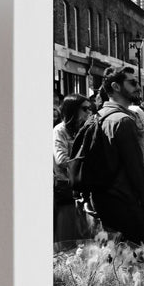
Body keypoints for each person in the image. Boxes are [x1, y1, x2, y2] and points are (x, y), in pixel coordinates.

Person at [86, 64, 144, 244]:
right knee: (136, 260)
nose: (137, 87)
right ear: (116, 87)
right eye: (133, 82)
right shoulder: (123, 121)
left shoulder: (98, 116)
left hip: (105, 202)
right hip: (126, 203)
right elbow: (135, 169)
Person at [52, 95, 88, 245]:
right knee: (67, 237)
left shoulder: (84, 128)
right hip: (66, 187)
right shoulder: (60, 130)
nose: (89, 112)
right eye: (85, 109)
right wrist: (86, 159)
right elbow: (61, 160)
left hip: (82, 187)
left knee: (83, 234)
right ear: (73, 110)